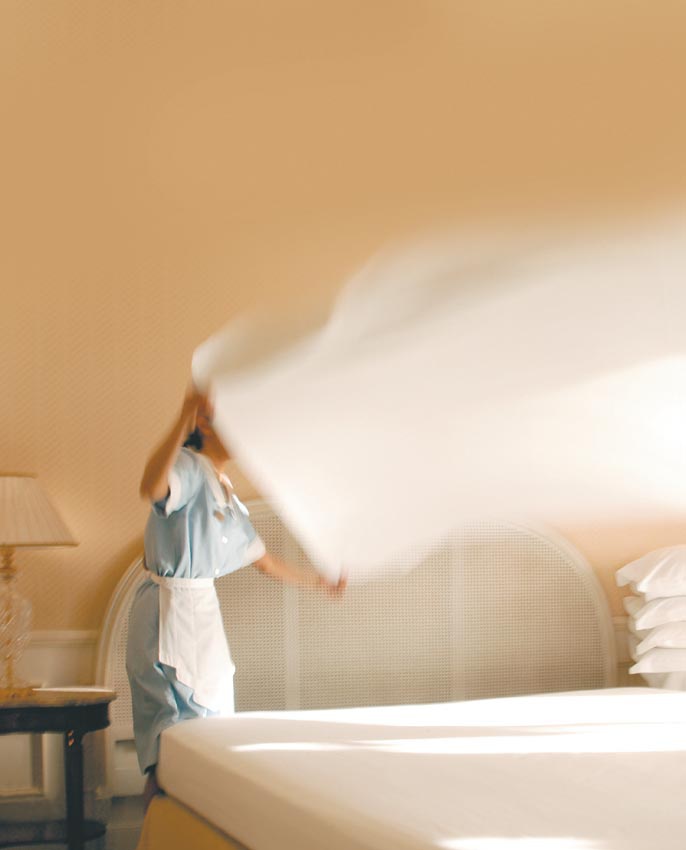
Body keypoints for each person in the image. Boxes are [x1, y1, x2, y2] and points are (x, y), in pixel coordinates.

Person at [126, 388, 345, 809]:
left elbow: (264, 561)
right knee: (174, 735)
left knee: (204, 729)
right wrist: (183, 415)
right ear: (205, 426)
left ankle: (184, 821)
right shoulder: (189, 467)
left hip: (199, 613)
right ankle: (160, 825)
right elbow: (151, 487)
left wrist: (319, 583)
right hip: (168, 613)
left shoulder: (225, 493)